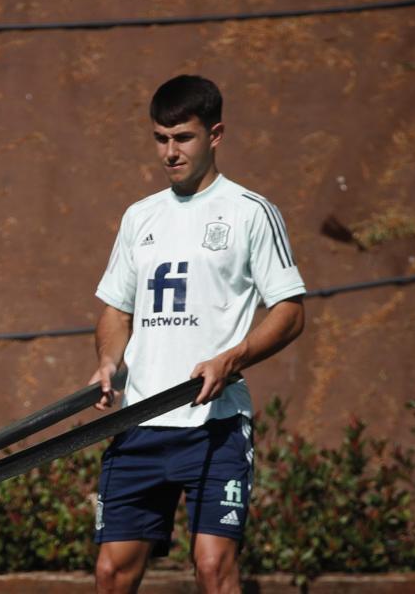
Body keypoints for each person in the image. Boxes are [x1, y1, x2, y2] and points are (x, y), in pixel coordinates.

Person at [88, 75, 307, 594]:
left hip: (216, 424)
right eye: (161, 138)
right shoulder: (140, 216)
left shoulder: (250, 212)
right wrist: (107, 361)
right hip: (141, 422)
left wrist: (231, 358)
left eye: (182, 137)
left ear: (215, 134)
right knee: (110, 572)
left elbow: (290, 312)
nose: (170, 152)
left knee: (213, 568)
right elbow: (116, 310)